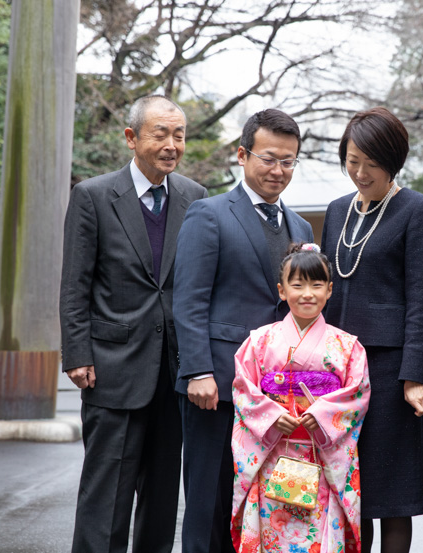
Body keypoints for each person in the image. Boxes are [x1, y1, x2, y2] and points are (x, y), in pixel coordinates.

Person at [59, 95, 208, 553]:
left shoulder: (195, 197)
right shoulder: (93, 196)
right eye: (160, 133)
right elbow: (75, 283)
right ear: (131, 138)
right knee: (107, 498)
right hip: (112, 368)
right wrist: (78, 353)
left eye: (179, 135)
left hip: (173, 373)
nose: (171, 144)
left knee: (163, 499)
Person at [173, 109, 315, 553]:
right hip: (218, 385)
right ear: (242, 154)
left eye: (288, 161)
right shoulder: (209, 214)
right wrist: (197, 371)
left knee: (274, 502)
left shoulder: (302, 227)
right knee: (210, 500)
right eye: (269, 158)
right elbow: (189, 299)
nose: (278, 170)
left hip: (280, 393)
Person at [320, 107, 423, 553]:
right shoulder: (336, 211)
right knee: (346, 484)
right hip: (336, 369)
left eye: (371, 162)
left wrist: (414, 375)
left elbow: (421, 299)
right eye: (352, 160)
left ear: (393, 160)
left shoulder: (416, 210)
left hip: (389, 371)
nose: (360, 172)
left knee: (389, 492)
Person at [230, 243, 370, 553]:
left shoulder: (347, 346)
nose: (307, 293)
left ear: (330, 290)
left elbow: (357, 393)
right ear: (282, 291)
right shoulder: (259, 341)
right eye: (297, 285)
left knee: (319, 530)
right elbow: (243, 388)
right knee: (272, 529)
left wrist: (321, 416)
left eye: (316, 284)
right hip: (274, 450)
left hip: (321, 452)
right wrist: (269, 414)